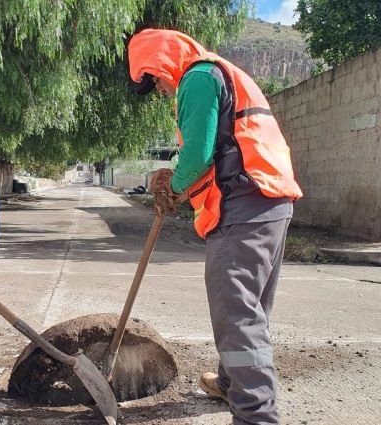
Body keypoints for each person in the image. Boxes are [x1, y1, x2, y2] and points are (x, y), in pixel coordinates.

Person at [128, 29, 303, 425]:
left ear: (162, 61)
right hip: (268, 202)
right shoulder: (220, 73)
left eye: (154, 78)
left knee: (237, 316)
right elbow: (221, 144)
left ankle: (256, 416)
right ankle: (230, 382)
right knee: (248, 309)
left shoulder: (199, 78)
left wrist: (172, 187)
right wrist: (175, 181)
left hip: (244, 208)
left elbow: (198, 154)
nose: (158, 89)